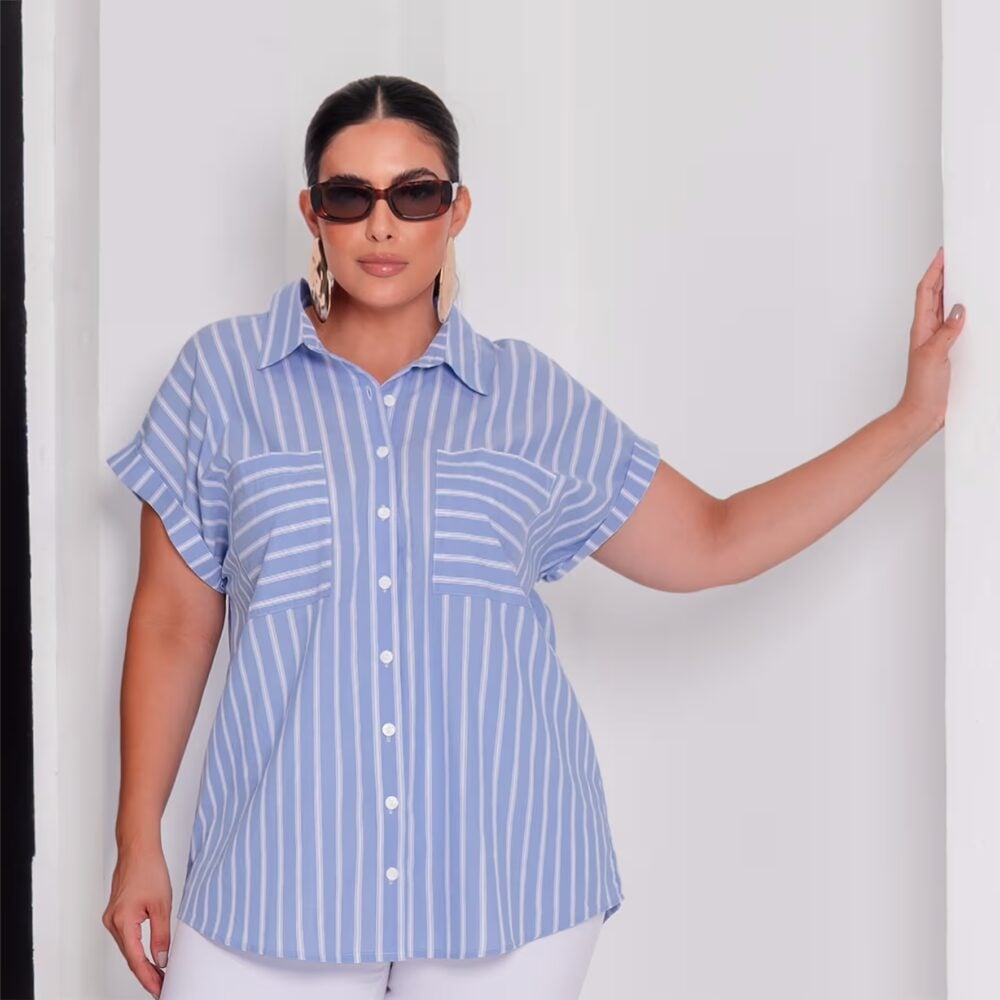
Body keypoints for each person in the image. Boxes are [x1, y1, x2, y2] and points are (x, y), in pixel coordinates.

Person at [101, 74, 964, 1000]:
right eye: (350, 197)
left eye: (415, 194)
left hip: (509, 877)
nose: (382, 226)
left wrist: (911, 419)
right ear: (313, 213)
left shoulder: (528, 400)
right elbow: (173, 624)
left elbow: (713, 538)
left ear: (457, 209)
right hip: (278, 874)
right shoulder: (221, 379)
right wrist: (136, 838)